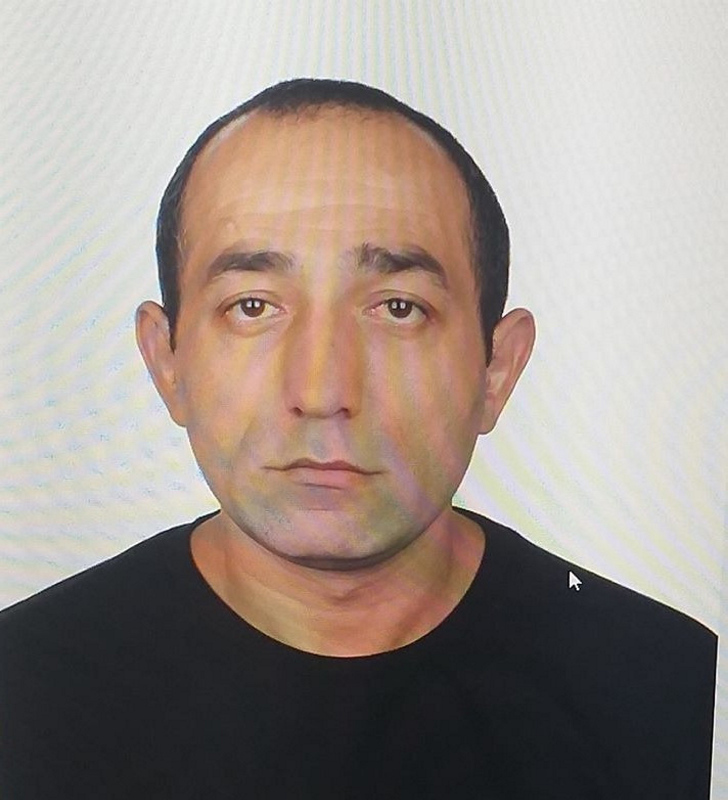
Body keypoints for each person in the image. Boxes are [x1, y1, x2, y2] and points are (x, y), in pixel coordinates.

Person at [0, 78, 717, 799]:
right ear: (167, 362)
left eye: (398, 308)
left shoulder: (669, 689)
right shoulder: (25, 687)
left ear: (496, 370)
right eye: (252, 306)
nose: (322, 392)